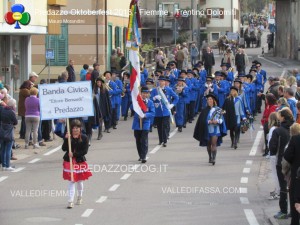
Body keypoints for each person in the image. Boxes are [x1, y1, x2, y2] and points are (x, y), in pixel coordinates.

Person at [269, 108, 294, 219]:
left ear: (283, 118)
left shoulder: (278, 131)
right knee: (294, 188)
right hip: (295, 163)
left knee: (283, 187)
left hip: (282, 162)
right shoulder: (296, 129)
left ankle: (283, 210)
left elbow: (272, 148)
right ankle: (294, 212)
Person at [62, 119, 92, 209]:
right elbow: (64, 148)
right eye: (73, 128)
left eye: (77, 128)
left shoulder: (84, 138)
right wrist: (66, 140)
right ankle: (70, 201)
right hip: (69, 162)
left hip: (79, 161)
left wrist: (74, 154)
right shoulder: (69, 137)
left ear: (80, 128)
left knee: (79, 181)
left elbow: (85, 151)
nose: (75, 130)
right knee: (71, 181)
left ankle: (79, 196)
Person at [193, 94, 227, 165]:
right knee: (208, 144)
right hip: (207, 129)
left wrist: (217, 121)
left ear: (213, 100)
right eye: (208, 99)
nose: (209, 100)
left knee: (214, 144)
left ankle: (214, 158)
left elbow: (221, 120)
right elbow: (202, 121)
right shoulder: (204, 110)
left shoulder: (218, 109)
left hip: (215, 129)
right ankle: (210, 156)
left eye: (211, 99)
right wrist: (209, 121)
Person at [151, 76, 178, 147]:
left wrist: (172, 105)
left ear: (165, 82)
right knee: (159, 127)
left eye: (162, 81)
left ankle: (165, 140)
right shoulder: (155, 90)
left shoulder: (169, 89)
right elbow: (150, 99)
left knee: (165, 126)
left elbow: (176, 97)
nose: (161, 82)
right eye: (160, 81)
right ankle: (160, 140)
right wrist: (154, 98)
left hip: (166, 111)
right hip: (158, 111)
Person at [132, 86, 155, 163]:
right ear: (140, 93)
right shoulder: (136, 102)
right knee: (138, 140)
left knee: (144, 140)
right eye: (143, 93)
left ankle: (144, 156)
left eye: (146, 93)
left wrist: (145, 115)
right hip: (137, 124)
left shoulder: (150, 102)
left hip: (145, 123)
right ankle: (140, 155)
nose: (145, 95)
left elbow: (152, 113)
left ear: (148, 94)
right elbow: (132, 108)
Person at [284, 123, 300, 225]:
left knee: (295, 198)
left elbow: (287, 155)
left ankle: (295, 221)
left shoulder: (295, 139)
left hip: (297, 174)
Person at [0, 99, 18, 171]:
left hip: (2, 130)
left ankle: (3, 165)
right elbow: (16, 122)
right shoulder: (12, 112)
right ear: (13, 105)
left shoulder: (2, 110)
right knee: (8, 149)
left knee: (2, 149)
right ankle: (8, 166)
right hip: (9, 131)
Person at [267, 112, 280, 200]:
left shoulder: (272, 129)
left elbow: (270, 142)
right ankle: (278, 189)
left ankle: (278, 191)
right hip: (279, 153)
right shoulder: (279, 128)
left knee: (275, 174)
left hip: (273, 154)